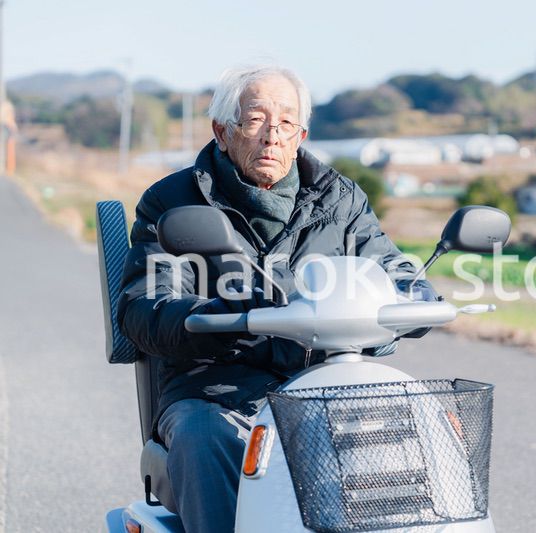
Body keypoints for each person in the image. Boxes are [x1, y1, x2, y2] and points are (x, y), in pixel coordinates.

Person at [117, 65, 435, 533]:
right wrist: (219, 315)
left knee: (413, 430)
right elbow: (144, 306)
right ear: (222, 132)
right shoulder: (173, 202)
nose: (272, 136)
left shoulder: (339, 199)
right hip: (215, 388)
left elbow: (388, 265)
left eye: (286, 123)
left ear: (302, 133)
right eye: (256, 120)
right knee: (203, 436)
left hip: (326, 382)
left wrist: (416, 294)